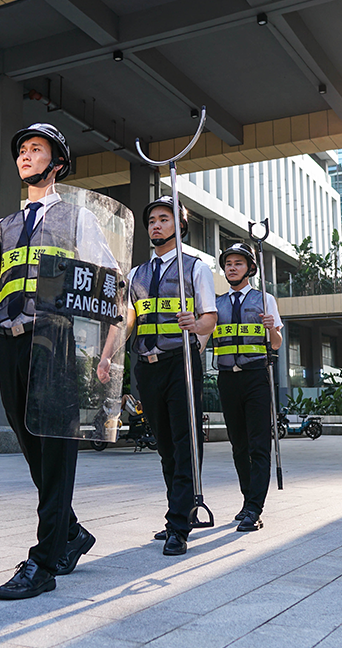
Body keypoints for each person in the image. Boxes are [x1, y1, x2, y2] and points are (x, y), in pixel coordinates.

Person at [0, 123, 115, 600]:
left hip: (54, 341)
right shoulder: (3, 226)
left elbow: (109, 280)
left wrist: (108, 347)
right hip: (8, 344)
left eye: (36, 149)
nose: (25, 155)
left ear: (58, 163)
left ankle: (44, 561)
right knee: (32, 446)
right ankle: (70, 533)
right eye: (22, 150)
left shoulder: (77, 219)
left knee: (55, 448)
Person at [123, 196, 217, 556]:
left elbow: (210, 317)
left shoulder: (195, 268)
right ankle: (178, 512)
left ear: (180, 225)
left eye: (164, 219)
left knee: (185, 443)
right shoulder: (136, 274)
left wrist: (196, 324)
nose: (156, 225)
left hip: (181, 363)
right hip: (146, 367)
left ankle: (179, 523)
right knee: (164, 446)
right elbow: (128, 320)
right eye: (152, 221)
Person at [213, 243, 283, 532]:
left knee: (258, 444)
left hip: (256, 377)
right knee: (238, 445)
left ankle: (255, 508)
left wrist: (271, 328)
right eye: (228, 264)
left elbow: (276, 344)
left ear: (250, 269)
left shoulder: (265, 299)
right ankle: (247, 501)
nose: (232, 268)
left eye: (238, 263)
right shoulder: (216, 304)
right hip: (227, 378)